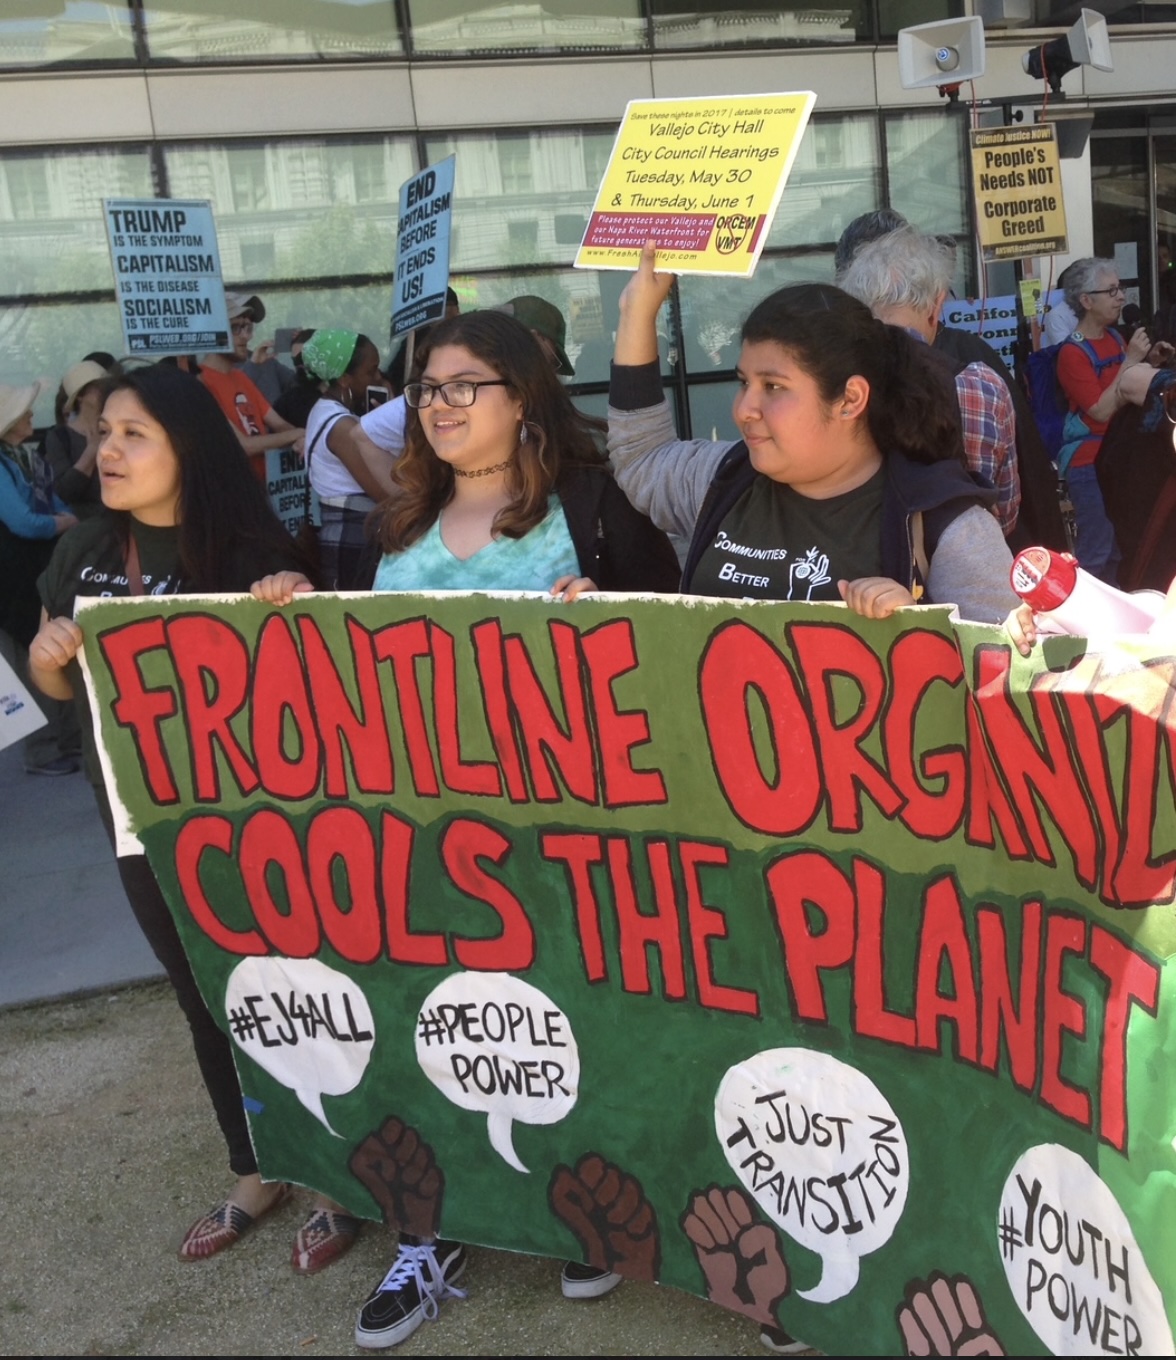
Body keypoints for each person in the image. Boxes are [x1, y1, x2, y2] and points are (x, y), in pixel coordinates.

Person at [253, 309, 680, 1351]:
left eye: (462, 386)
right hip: (425, 843)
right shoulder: (394, 526)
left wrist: (619, 616)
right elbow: (348, 672)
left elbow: (679, 646)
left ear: (523, 396)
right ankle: (433, 1225)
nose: (436, 405)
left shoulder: (593, 504)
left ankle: (587, 1203)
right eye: (425, 387)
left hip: (570, 842)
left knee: (572, 1019)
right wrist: (286, 605)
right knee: (434, 1020)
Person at [26, 365, 362, 1276]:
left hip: (258, 828)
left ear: (188, 448)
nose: (106, 452)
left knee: (292, 983)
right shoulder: (85, 549)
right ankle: (256, 1165)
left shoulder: (254, 549)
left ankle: (336, 1172)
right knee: (199, 987)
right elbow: (65, 702)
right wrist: (52, 655)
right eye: (102, 435)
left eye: (133, 434)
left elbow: (313, 702)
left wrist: (294, 605)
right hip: (137, 824)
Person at [839, 224, 1021, 539]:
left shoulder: (837, 382)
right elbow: (1004, 513)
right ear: (936, 307)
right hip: (966, 564)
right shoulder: (982, 385)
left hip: (862, 574)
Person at [1054, 257, 1155, 583]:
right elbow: (1100, 410)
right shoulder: (1072, 353)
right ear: (1086, 301)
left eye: (1120, 288)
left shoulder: (1113, 338)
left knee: (1121, 548)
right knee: (1097, 551)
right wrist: (1132, 361)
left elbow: (1125, 386)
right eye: (1111, 290)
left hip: (1119, 460)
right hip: (1089, 465)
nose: (1121, 297)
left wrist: (1150, 362)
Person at [0, 381, 80, 775]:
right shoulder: (4, 464)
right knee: (29, 661)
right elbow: (24, 522)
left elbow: (54, 506)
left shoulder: (26, 458)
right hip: (10, 582)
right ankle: (44, 751)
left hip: (34, 572)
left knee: (52, 651)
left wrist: (62, 519)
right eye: (24, 410)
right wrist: (64, 522)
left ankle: (68, 739)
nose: (32, 414)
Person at [300, 329, 392, 588]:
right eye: (370, 371)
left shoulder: (325, 411)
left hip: (347, 537)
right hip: (352, 541)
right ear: (344, 379)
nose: (378, 378)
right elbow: (384, 492)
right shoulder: (343, 427)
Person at [199, 291, 304, 476]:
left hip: (262, 491)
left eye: (248, 327)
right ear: (213, 329)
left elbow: (279, 425)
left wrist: (301, 438)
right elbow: (242, 446)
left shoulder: (241, 378)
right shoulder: (200, 383)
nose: (246, 336)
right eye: (235, 328)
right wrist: (300, 434)